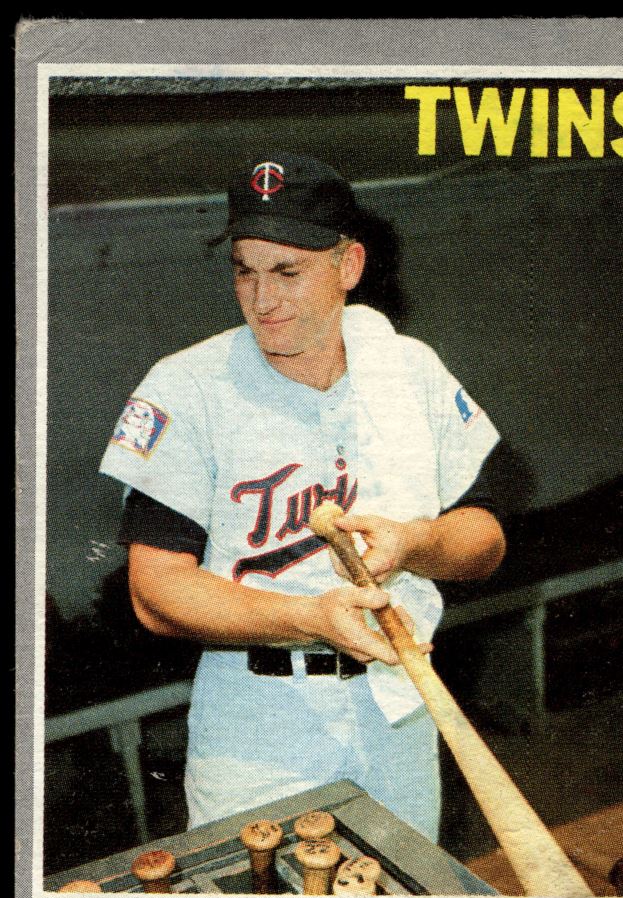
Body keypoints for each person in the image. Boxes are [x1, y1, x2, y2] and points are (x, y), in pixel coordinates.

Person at [100, 152, 506, 843]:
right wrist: (310, 617)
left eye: (287, 272)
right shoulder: (186, 388)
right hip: (259, 725)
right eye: (245, 271)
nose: (262, 300)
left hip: (399, 711)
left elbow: (485, 539)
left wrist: (417, 543)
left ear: (349, 265)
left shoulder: (409, 371)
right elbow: (154, 590)